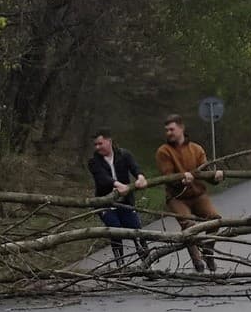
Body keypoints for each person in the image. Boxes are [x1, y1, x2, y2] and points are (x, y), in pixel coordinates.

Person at [156, 115, 224, 273]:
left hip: (198, 194)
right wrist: (181, 180)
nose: (169, 133)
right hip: (177, 197)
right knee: (189, 225)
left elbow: (205, 172)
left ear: (181, 128)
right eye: (167, 130)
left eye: (171, 129)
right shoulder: (163, 152)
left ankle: (208, 251)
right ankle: (197, 261)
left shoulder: (196, 149)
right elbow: (167, 176)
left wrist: (217, 176)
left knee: (215, 219)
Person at [88, 131, 151, 269]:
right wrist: (118, 185)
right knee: (115, 229)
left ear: (109, 141)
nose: (97, 147)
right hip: (105, 203)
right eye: (95, 144)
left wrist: (140, 177)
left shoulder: (124, 155)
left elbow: (135, 167)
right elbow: (102, 178)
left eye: (100, 143)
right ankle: (120, 265)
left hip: (125, 202)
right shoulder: (93, 161)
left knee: (137, 230)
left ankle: (147, 264)